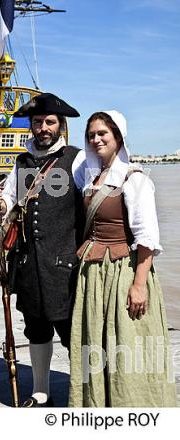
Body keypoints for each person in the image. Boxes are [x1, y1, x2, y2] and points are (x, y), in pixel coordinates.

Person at [68, 110, 177, 407]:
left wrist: (139, 284)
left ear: (118, 136)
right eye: (91, 134)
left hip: (123, 272)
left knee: (127, 344)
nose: (96, 139)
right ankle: (99, 407)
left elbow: (147, 238)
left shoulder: (134, 179)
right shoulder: (91, 177)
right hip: (94, 275)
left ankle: (131, 407)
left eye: (103, 133)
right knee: (96, 344)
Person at [0, 92, 84, 407]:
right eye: (38, 122)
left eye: (50, 122)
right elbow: (13, 201)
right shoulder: (22, 161)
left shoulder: (77, 158)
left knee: (74, 332)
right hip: (29, 263)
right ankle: (40, 391)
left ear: (60, 125)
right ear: (31, 125)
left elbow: (100, 191)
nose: (43, 127)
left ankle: (82, 391)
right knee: (36, 328)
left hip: (64, 264)